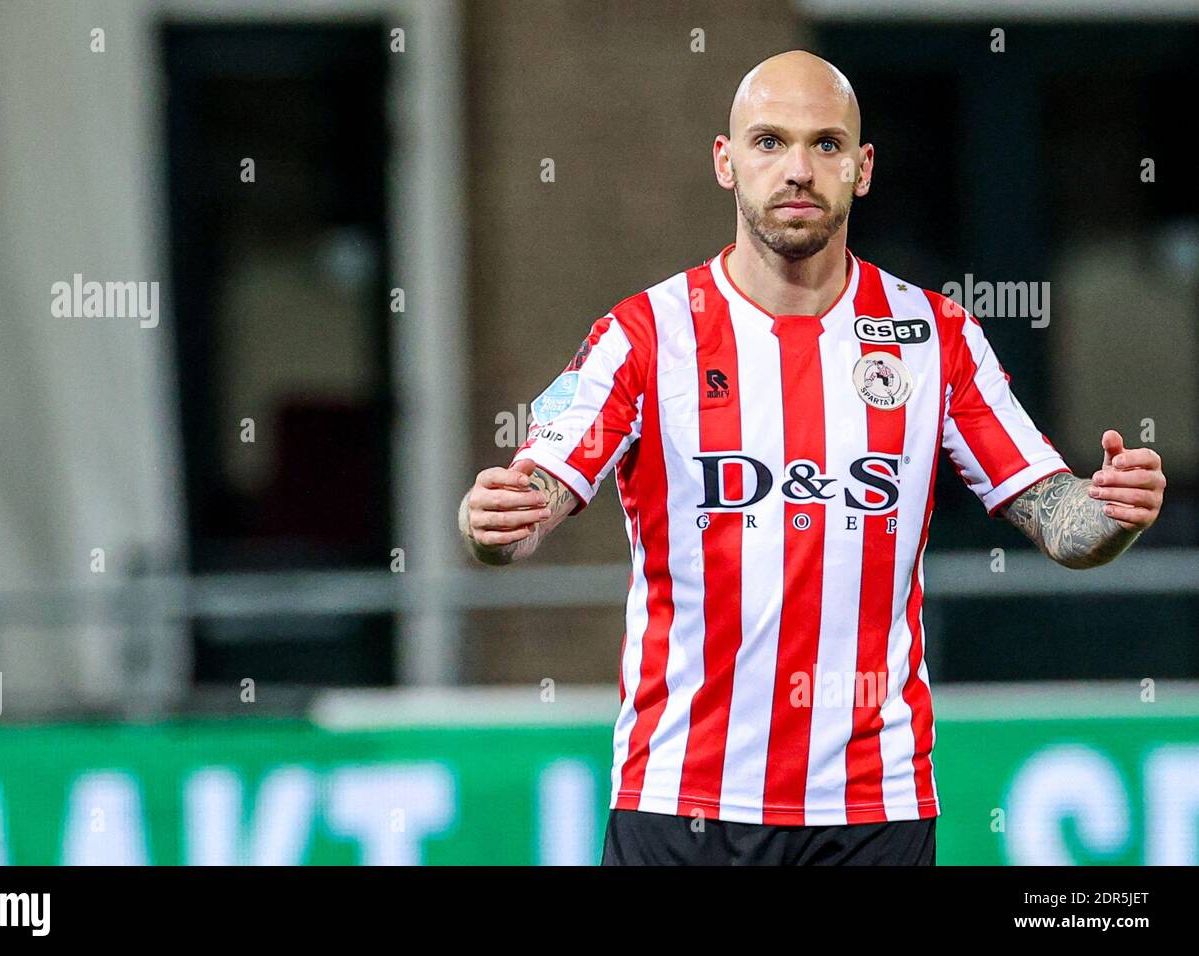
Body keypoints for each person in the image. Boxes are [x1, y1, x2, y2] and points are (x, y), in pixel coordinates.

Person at [458, 50, 1166, 865]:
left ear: (862, 169)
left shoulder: (934, 337)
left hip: (874, 806)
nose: (797, 170)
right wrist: (495, 521)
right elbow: (525, 506)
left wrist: (1112, 512)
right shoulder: (645, 335)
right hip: (681, 801)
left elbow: (1061, 521)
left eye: (826, 145)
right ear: (726, 162)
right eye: (769, 142)